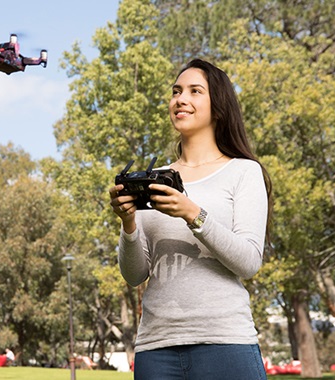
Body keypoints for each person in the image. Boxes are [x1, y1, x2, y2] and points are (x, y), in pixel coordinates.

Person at [109, 58, 272, 380]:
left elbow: (249, 262)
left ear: (219, 107)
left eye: (195, 91)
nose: (180, 99)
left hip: (225, 343)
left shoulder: (243, 171)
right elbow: (135, 275)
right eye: (176, 91)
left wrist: (192, 214)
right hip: (156, 349)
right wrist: (128, 224)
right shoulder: (155, 179)